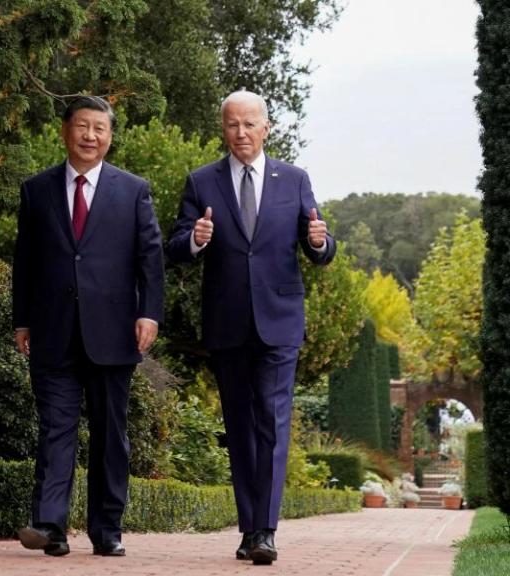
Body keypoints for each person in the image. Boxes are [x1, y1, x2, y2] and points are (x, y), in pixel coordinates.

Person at [167, 90, 336, 566]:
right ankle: (248, 528)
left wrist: (320, 243)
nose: (241, 133)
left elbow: (318, 243)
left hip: (280, 322)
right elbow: (176, 245)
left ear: (266, 128)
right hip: (227, 323)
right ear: (222, 129)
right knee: (240, 427)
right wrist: (195, 241)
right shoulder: (202, 181)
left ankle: (265, 531)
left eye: (249, 124)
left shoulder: (295, 179)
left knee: (273, 422)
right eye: (231, 125)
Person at [11, 96, 165, 557]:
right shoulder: (36, 190)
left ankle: (107, 528)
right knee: (55, 428)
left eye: (99, 128)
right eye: (82, 126)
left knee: (109, 434)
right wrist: (22, 320)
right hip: (52, 330)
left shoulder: (133, 189)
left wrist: (149, 312)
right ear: (65, 130)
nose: (90, 136)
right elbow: (25, 262)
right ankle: (50, 526)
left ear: (110, 136)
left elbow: (150, 259)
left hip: (114, 332)